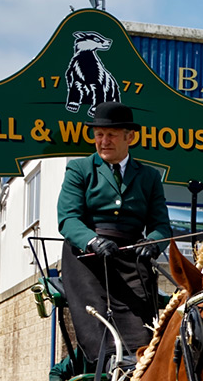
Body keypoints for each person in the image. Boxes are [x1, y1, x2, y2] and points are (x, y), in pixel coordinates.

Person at [56, 101, 173, 365]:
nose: (103, 141)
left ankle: (137, 379)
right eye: (99, 135)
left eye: (111, 135)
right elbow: (68, 219)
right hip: (87, 259)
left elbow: (161, 226)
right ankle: (104, 376)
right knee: (100, 332)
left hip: (132, 258)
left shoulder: (149, 177)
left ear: (129, 137)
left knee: (142, 334)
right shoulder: (80, 169)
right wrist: (92, 241)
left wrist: (153, 244)